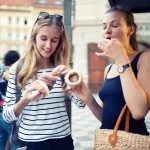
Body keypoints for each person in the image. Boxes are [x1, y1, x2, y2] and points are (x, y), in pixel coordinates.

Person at [2, 11, 85, 150]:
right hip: (30, 143)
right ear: (34, 38)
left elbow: (81, 104)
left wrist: (74, 80)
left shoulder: (62, 69)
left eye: (54, 40)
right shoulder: (19, 70)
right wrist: (25, 100)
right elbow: (6, 116)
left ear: (60, 41)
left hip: (62, 141)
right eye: (43, 38)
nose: (48, 46)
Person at [70, 6, 150, 136]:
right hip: (109, 142)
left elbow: (138, 112)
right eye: (104, 27)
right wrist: (89, 99)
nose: (107, 30)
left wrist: (121, 57)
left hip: (133, 143)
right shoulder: (109, 69)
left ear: (130, 30)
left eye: (115, 25)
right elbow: (106, 118)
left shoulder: (145, 58)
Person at [0, 50, 20, 150]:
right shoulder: (15, 73)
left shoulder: (2, 70)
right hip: (10, 115)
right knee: (15, 144)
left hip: (0, 114)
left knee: (2, 143)